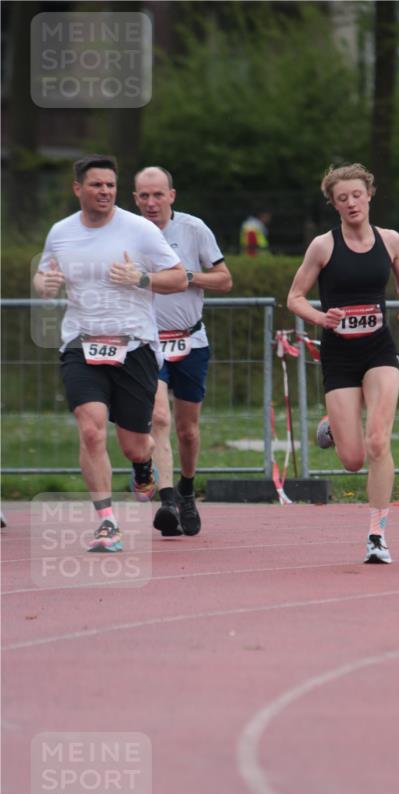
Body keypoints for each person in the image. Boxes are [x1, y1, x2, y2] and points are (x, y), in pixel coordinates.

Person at [34, 154, 187, 553]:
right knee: (90, 428)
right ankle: (106, 523)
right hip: (80, 342)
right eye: (96, 184)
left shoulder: (139, 230)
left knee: (135, 443)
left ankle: (142, 466)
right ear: (78, 188)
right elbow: (44, 273)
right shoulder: (61, 232)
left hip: (133, 344)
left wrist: (141, 277)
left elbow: (177, 276)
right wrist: (44, 283)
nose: (104, 191)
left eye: (110, 185)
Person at [287, 163, 399, 564]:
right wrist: (319, 317)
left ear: (369, 195)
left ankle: (376, 534)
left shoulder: (391, 240)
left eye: (356, 195)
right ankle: (331, 425)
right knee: (353, 459)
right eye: (341, 198)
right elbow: (294, 297)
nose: (351, 203)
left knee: (378, 440)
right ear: (334, 204)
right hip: (339, 355)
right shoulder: (323, 246)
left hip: (379, 350)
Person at [133, 166, 233, 536]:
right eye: (143, 196)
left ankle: (187, 489)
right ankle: (168, 500)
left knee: (188, 430)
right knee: (159, 418)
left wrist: (188, 277)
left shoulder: (193, 229)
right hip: (146, 343)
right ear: (135, 199)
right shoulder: (127, 232)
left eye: (158, 194)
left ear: (171, 196)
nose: (151, 202)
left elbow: (225, 279)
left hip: (190, 340)